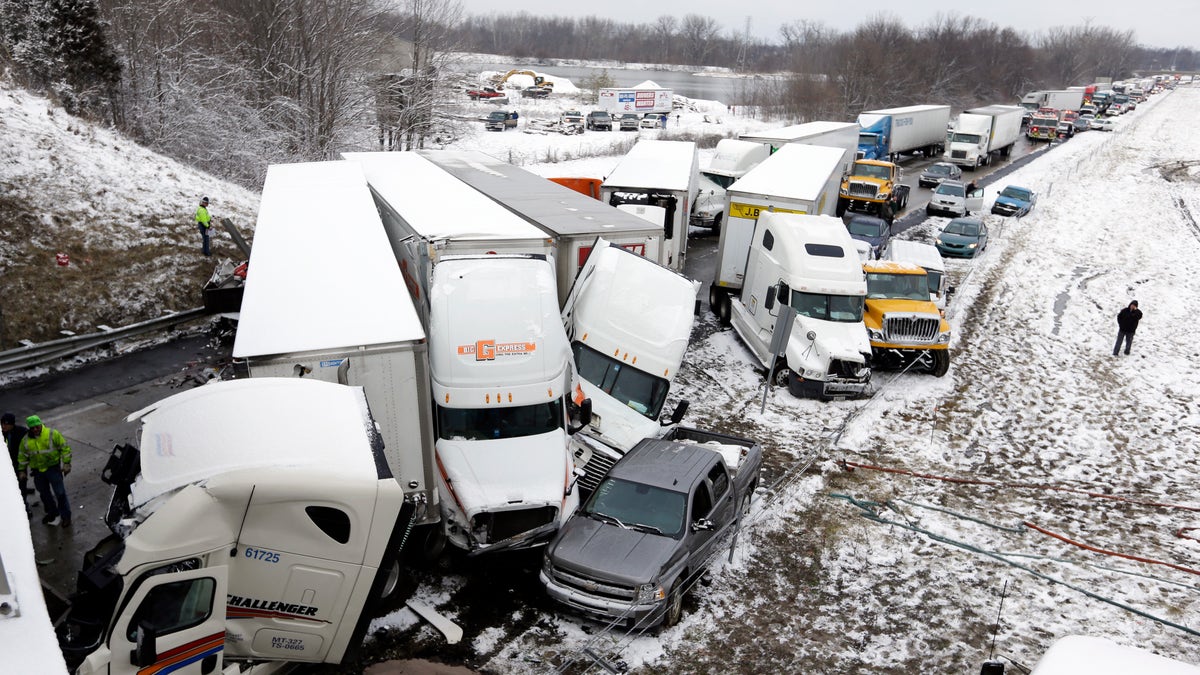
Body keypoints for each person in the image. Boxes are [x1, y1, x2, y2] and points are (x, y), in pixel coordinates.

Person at [17, 415, 72, 527]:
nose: (35, 430)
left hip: (53, 469)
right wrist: (22, 470)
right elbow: (22, 456)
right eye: (32, 428)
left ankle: (65, 516)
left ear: (40, 424)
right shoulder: (26, 440)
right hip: (38, 472)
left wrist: (66, 463)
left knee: (60, 494)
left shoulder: (52, 434)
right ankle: (53, 513)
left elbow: (65, 448)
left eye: (37, 427)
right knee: (44, 494)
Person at [2, 412, 32, 513]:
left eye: (6, 424)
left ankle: (24, 507)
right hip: (6, 464)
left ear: (12, 424)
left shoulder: (22, 432)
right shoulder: (2, 433)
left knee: (21, 486)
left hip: (19, 464)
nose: (3, 426)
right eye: (2, 423)